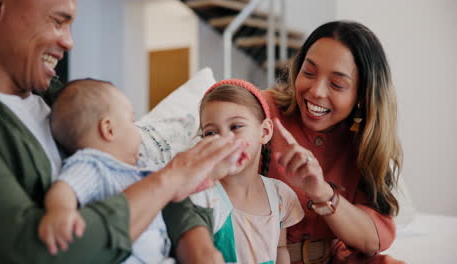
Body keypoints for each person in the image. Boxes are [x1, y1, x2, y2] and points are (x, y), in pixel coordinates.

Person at [0, 0, 245, 263]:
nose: (69, 42)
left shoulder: (60, 98)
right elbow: (29, 252)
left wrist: (197, 245)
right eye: (58, 21)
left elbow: (145, 175)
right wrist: (170, 179)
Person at [164, 21, 404, 264]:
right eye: (308, 72)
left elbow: (374, 240)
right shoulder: (259, 112)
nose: (316, 91)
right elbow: (193, 178)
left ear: (363, 95)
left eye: (337, 84)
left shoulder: (363, 141)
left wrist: (322, 193)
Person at [37, 79, 177, 263]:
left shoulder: (141, 165)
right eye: (131, 120)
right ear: (109, 129)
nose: (137, 131)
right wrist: (61, 210)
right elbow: (65, 188)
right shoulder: (93, 165)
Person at [189, 79, 304, 264]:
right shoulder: (204, 197)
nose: (224, 139)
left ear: (265, 132)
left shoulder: (280, 196)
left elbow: (280, 249)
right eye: (211, 133)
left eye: (235, 127)